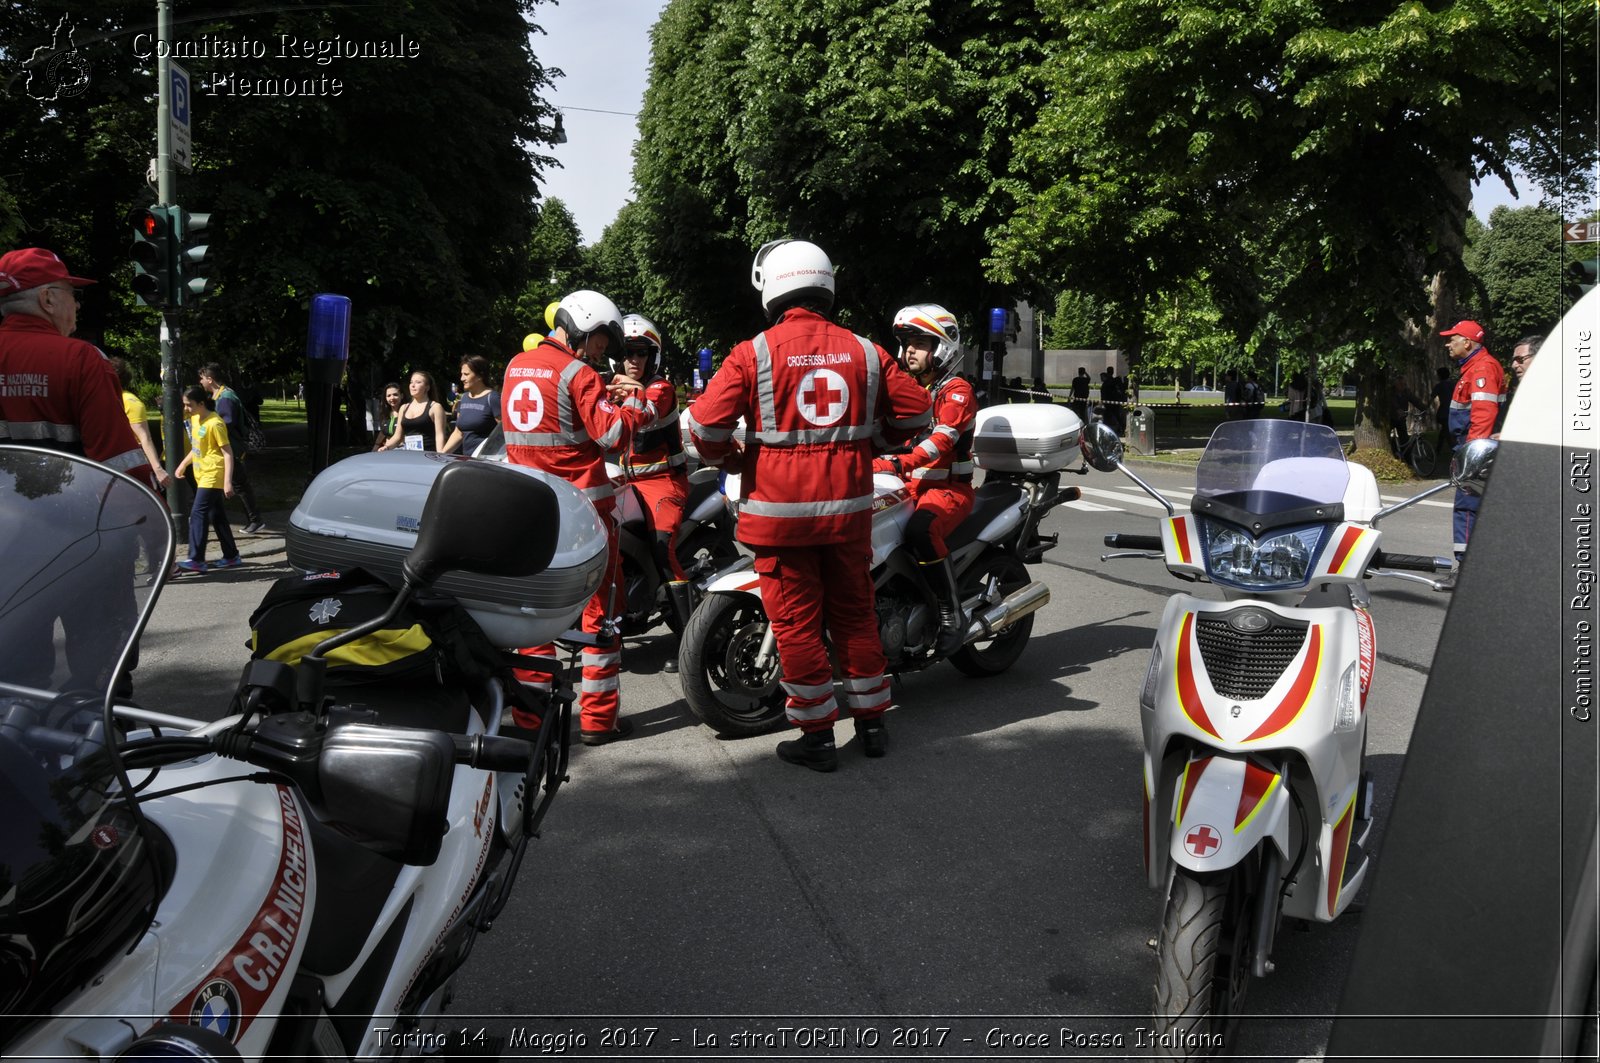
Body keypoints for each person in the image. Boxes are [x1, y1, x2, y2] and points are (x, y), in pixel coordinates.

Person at [686, 239, 931, 772]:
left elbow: (704, 426)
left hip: (780, 524)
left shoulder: (753, 352)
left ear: (772, 287)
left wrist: (730, 456)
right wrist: (874, 438)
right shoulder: (866, 351)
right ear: (825, 284)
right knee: (854, 617)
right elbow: (916, 415)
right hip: (847, 516)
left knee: (796, 626)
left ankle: (818, 737)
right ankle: (872, 724)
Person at [501, 289, 650, 745]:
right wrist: (634, 403)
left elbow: (554, 413)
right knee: (601, 616)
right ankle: (598, 722)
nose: (604, 350)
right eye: (603, 339)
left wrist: (601, 393)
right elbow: (612, 434)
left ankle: (530, 721)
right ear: (583, 326)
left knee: (531, 617)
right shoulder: (578, 372)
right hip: (582, 515)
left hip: (527, 511)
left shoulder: (515, 366)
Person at [0, 248, 155, 489]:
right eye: (73, 294)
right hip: (64, 515)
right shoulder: (81, 358)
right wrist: (150, 513)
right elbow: (118, 461)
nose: (78, 305)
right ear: (47, 299)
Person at [873, 304, 976, 658]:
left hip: (948, 492)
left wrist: (901, 462)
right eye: (906, 343)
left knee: (920, 531)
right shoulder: (911, 392)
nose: (909, 351)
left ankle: (951, 615)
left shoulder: (957, 391)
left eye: (919, 343)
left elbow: (942, 439)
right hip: (908, 490)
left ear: (943, 348)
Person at [607, 314, 692, 668]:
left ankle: (691, 642)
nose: (634, 359)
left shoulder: (660, 388)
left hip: (664, 483)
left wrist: (618, 392)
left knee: (661, 550)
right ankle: (620, 618)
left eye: (641, 353)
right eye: (628, 352)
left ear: (652, 357)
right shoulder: (610, 387)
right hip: (626, 484)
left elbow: (640, 413)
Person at [1441, 319, 1506, 574]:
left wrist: (1470, 459)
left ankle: (1466, 570)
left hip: (1477, 451)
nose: (1448, 343)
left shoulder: (1482, 369)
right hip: (1476, 448)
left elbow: (1483, 415)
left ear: (1467, 342)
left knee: (1467, 509)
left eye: (1452, 339)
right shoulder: (1475, 367)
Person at [171, 385, 242, 575]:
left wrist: (227, 481)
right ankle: (231, 556)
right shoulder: (195, 419)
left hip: (214, 474)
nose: (186, 409)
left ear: (201, 403)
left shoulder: (215, 423)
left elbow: (227, 453)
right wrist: (183, 464)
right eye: (185, 405)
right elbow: (197, 449)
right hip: (201, 474)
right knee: (216, 515)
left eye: (189, 405)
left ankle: (196, 559)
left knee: (197, 513)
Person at [198, 363, 265, 533]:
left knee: (240, 485)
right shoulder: (220, 395)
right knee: (236, 484)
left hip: (232, 449)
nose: (200, 381)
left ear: (210, 379)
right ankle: (250, 519)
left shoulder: (225, 397)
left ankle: (255, 520)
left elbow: (225, 424)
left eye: (202, 378)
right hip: (228, 448)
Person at [108, 357, 171, 490]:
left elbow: (144, 437)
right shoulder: (104, 398)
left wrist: (157, 469)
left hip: (131, 471)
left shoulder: (130, 402)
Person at [377, 370, 448, 452]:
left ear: (427, 387)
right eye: (411, 382)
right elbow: (397, 437)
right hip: (410, 457)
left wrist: (440, 456)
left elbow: (440, 436)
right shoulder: (403, 408)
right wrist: (386, 447)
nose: (413, 385)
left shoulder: (435, 407)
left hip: (428, 456)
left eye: (418, 382)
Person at [442, 356, 499, 457]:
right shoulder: (464, 398)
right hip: (468, 461)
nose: (462, 378)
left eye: (466, 374)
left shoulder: (493, 398)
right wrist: (442, 455)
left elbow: (504, 432)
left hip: (488, 461)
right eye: (461, 374)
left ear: (480, 376)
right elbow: (458, 432)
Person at [372, 381, 404, 451]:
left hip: (403, 450)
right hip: (387, 450)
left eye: (395, 394)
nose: (392, 398)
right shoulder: (385, 414)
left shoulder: (408, 413)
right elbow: (382, 433)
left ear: (401, 396)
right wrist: (374, 450)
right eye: (388, 395)